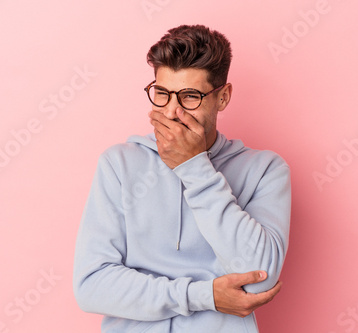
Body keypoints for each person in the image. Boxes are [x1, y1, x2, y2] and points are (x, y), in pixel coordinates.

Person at [73, 24, 291, 332]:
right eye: (162, 94)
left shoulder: (265, 170)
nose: (172, 112)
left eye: (190, 96)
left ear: (223, 97)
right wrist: (204, 296)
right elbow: (92, 286)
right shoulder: (120, 164)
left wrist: (194, 167)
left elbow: (259, 279)